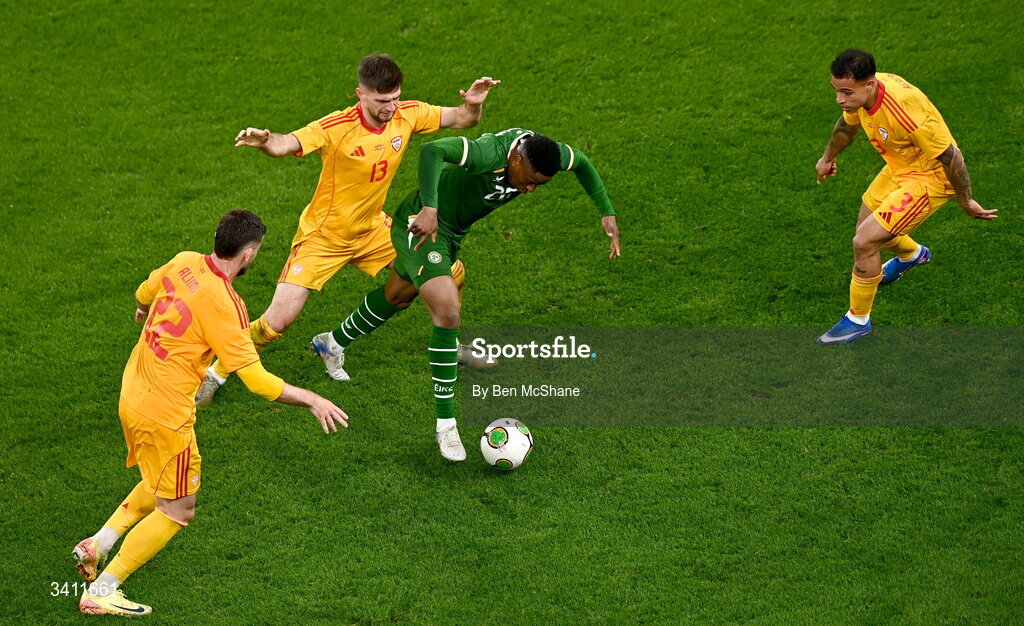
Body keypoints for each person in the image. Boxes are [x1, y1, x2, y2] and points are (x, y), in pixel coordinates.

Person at [73, 210, 349, 616]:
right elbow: (256, 381)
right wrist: (312, 398)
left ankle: (98, 543)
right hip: (165, 414)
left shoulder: (185, 260)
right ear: (248, 254)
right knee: (178, 509)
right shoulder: (227, 306)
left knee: (161, 477)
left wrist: (139, 309)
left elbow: (144, 292)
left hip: (132, 392)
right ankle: (103, 590)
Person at [195, 54, 498, 406]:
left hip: (373, 229)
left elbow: (462, 119)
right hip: (323, 238)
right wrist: (265, 140)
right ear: (361, 94)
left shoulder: (407, 113)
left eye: (395, 97)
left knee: (451, 273)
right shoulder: (337, 126)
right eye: (382, 101)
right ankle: (214, 372)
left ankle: (450, 346)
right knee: (276, 323)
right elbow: (286, 143)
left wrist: (473, 104)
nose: (391, 107)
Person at [311, 128, 620, 460]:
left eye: (538, 185)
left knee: (398, 296)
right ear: (515, 159)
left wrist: (606, 210)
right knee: (448, 311)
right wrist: (429, 208)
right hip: (422, 225)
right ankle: (446, 424)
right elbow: (431, 151)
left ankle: (331, 343)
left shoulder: (545, 153)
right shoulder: (488, 154)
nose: (530, 190)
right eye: (529, 180)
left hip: (452, 232)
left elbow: (583, 161)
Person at [815, 49, 997, 344]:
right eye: (836, 91)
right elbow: (847, 126)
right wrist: (827, 158)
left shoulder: (905, 110)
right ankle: (912, 255)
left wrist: (966, 200)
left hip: (930, 178)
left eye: (846, 92)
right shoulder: (862, 94)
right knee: (866, 229)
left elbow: (952, 158)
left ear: (869, 85)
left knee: (865, 241)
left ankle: (858, 320)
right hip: (900, 166)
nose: (840, 99)